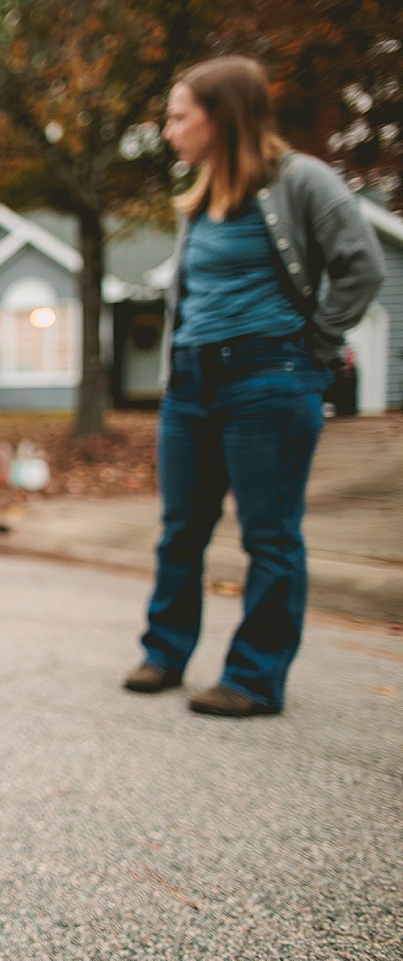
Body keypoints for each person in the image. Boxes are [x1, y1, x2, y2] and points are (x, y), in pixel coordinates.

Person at [124, 56, 384, 716]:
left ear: (221, 117)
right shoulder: (202, 196)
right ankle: (164, 651)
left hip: (267, 377)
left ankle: (254, 676)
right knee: (181, 529)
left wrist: (314, 346)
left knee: (269, 535)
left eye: (180, 115)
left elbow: (362, 267)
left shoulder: (302, 182)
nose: (169, 129)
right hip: (191, 381)